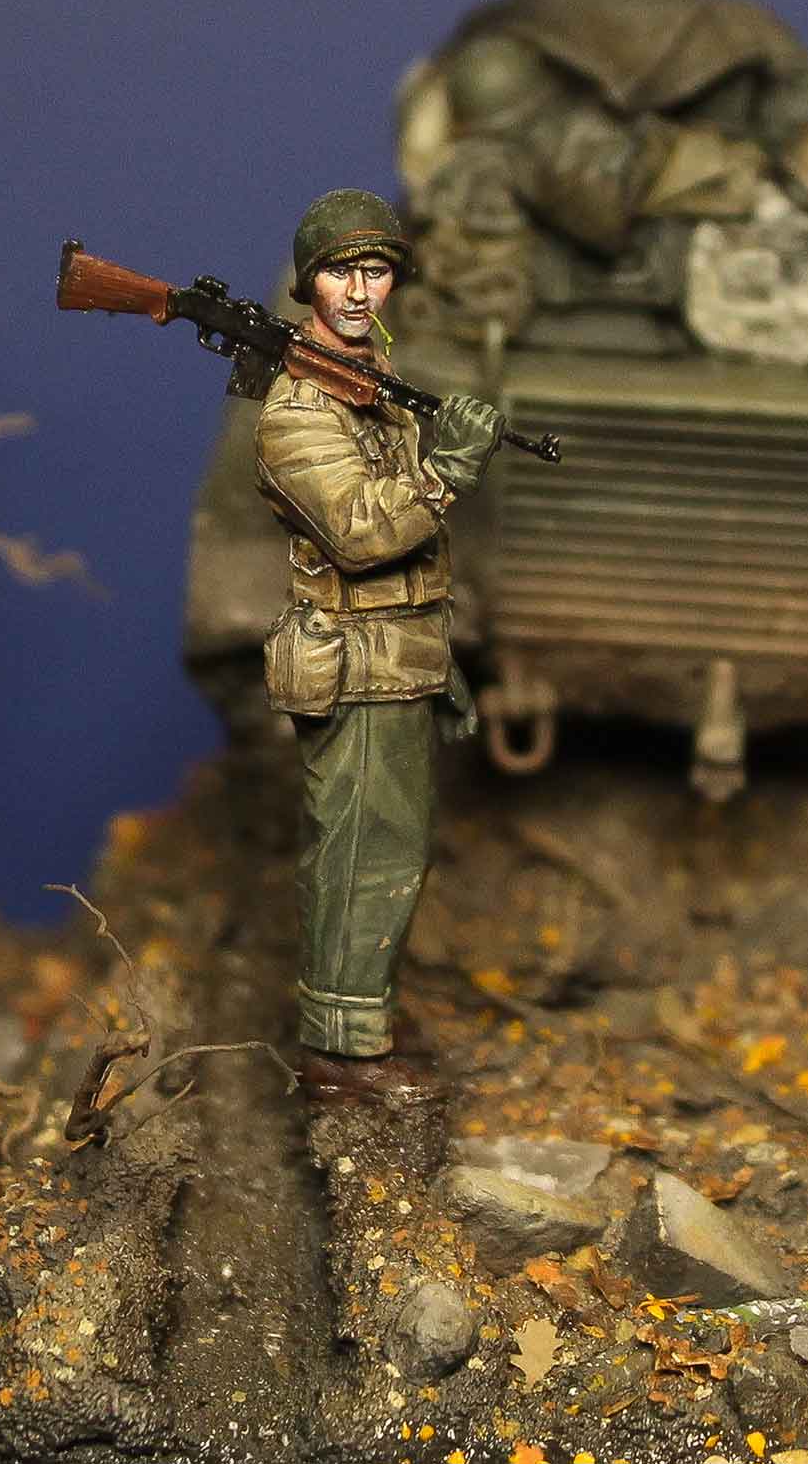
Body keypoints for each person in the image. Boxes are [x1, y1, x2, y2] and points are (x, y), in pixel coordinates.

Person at [255, 188, 505, 1103]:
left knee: (392, 850)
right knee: (362, 853)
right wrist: (447, 471)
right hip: (354, 663)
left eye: (377, 271)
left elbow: (413, 569)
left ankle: (356, 1034)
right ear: (308, 283)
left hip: (394, 656)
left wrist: (441, 663)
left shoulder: (367, 385)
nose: (361, 291)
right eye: (340, 272)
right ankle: (340, 1054)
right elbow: (363, 535)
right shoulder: (298, 411)